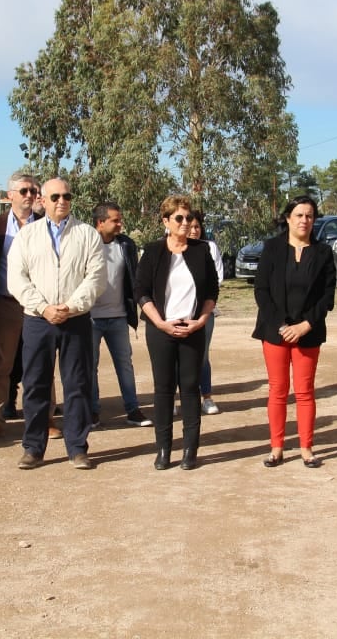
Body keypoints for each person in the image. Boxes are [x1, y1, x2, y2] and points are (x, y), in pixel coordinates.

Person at [7, 178, 106, 470]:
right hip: (38, 320)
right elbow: (17, 278)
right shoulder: (27, 236)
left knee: (77, 384)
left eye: (66, 196)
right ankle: (33, 448)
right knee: (36, 384)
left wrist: (70, 307)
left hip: (75, 321)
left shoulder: (87, 234)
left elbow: (96, 277)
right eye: (55, 197)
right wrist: (44, 307)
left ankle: (77, 448)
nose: (61, 201)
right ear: (43, 199)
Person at [134, 195, 218, 471]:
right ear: (166, 221)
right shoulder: (153, 250)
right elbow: (141, 292)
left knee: (190, 389)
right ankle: (163, 450)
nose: (186, 223)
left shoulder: (201, 250)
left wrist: (201, 321)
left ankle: (190, 450)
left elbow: (211, 293)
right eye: (179, 218)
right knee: (163, 390)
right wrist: (159, 323)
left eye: (189, 217)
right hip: (161, 329)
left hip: (192, 328)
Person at [253, 195, 336, 468]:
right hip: (275, 331)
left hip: (308, 332)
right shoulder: (272, 248)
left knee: (304, 391)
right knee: (278, 390)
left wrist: (304, 325)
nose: (304, 220)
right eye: (299, 215)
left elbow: (327, 296)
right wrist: (282, 326)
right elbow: (261, 291)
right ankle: (276, 448)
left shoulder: (323, 253)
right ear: (288, 218)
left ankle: (306, 448)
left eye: (309, 215)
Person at [0, 175, 40, 442]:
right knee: (1, 365)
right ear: (10, 195)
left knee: (40, 363)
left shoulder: (47, 225)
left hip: (39, 306)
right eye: (24, 190)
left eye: (33, 190)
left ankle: (43, 417)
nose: (30, 195)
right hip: (3, 304)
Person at [89, 202, 150, 427]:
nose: (120, 224)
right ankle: (93, 411)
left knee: (125, 363)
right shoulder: (85, 244)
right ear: (100, 222)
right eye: (115, 220)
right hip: (90, 318)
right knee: (90, 365)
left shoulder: (126, 244)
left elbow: (135, 277)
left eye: (119, 219)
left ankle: (133, 410)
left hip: (119, 316)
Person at [186, 212, 224, 415]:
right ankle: (182, 398)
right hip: (178, 313)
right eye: (190, 226)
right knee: (178, 356)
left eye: (197, 226)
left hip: (204, 311)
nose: (194, 230)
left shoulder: (210, 248)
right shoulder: (171, 247)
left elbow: (217, 278)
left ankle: (206, 397)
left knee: (202, 355)